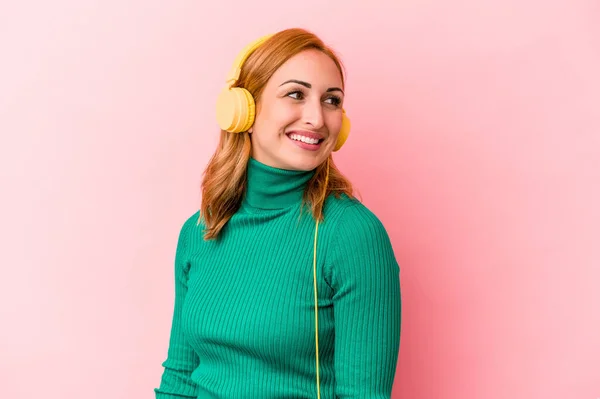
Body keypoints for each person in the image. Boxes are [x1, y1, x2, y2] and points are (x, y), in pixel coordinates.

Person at [154, 27, 402, 399]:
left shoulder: (350, 234)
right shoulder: (200, 230)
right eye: (296, 95)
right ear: (243, 111)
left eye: (332, 100)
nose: (317, 119)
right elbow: (180, 378)